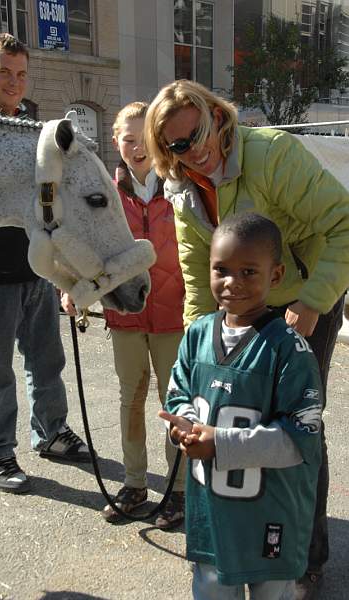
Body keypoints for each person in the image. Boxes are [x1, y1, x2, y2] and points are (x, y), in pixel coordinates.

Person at [145, 79, 349, 599]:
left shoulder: (272, 154)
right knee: (229, 413)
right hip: (238, 296)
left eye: (204, 129)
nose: (202, 147)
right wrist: (197, 346)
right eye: (183, 144)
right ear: (165, 151)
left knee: (298, 421)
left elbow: (346, 222)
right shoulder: (182, 189)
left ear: (217, 114)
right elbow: (197, 272)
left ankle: (303, 556)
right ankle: (234, 541)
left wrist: (313, 302)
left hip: (304, 290)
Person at [0, 33, 92, 495]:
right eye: (4, 73)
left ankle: (50, 433)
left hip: (36, 269)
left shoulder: (33, 129)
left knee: (46, 360)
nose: (14, 83)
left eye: (21, 74)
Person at [159, 212, 322, 600]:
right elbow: (179, 396)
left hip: (270, 513)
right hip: (213, 512)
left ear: (276, 275)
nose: (233, 283)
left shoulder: (289, 349)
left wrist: (222, 443)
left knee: (271, 591)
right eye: (222, 270)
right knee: (212, 585)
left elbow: (300, 440)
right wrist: (184, 427)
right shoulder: (197, 335)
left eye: (249, 271)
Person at [62, 101, 186, 528]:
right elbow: (80, 245)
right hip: (125, 315)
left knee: (176, 403)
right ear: (115, 141)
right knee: (130, 399)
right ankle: (134, 483)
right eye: (127, 139)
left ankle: (179, 489)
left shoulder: (181, 185)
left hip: (176, 315)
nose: (136, 148)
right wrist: (73, 288)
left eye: (143, 138)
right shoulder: (104, 196)